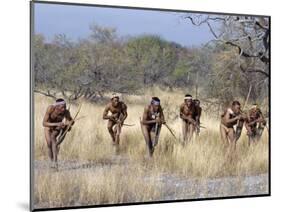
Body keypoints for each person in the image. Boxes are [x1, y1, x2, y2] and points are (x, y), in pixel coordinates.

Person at [42, 98, 74, 168]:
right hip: (49, 127)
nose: (64, 109)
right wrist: (56, 124)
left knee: (54, 140)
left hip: (58, 127)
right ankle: (51, 162)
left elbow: (71, 121)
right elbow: (44, 123)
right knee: (49, 144)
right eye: (62, 107)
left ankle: (55, 162)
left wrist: (69, 124)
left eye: (65, 107)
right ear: (57, 107)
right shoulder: (50, 108)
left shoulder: (66, 112)